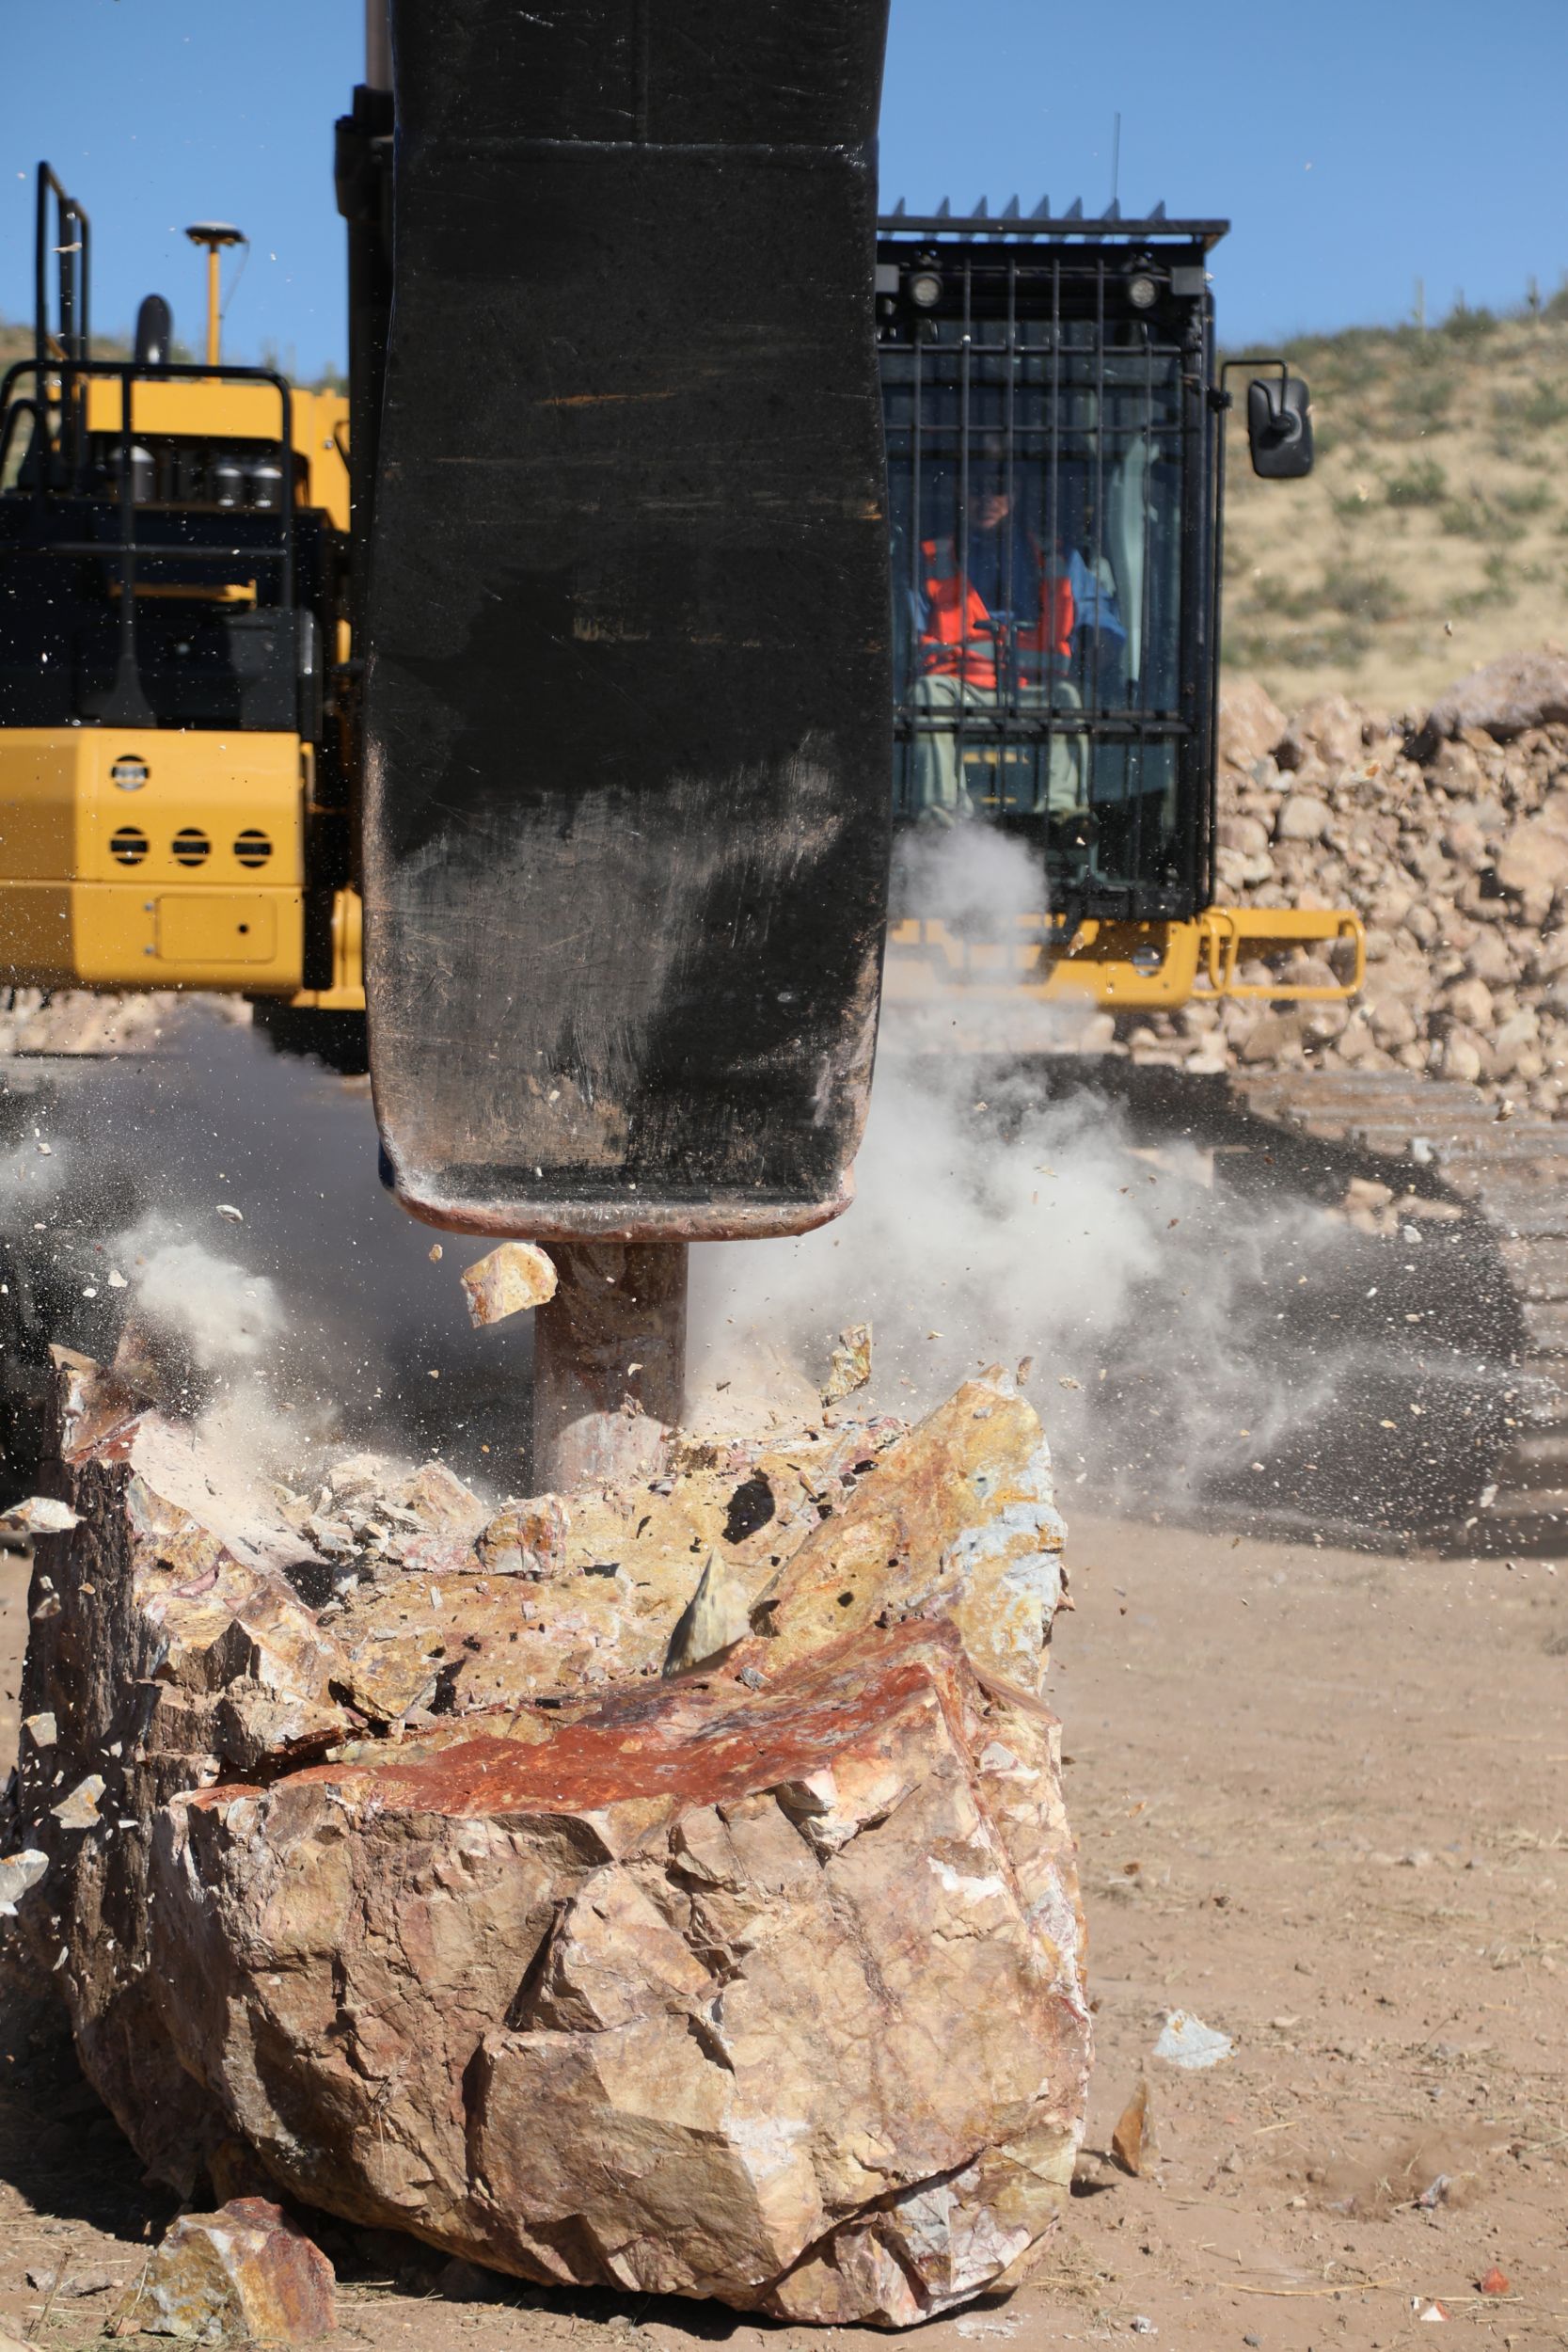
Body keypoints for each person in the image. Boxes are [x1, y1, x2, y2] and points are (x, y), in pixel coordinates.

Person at [910, 476, 1083, 823]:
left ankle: (1061, 812)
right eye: (977, 488)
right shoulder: (930, 558)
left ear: (1016, 492)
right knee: (927, 691)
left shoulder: (1056, 557)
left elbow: (1099, 624)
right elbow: (909, 627)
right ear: (959, 490)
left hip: (1031, 690)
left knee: (1067, 697)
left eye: (1000, 488)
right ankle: (943, 814)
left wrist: (1098, 640)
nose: (987, 499)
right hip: (958, 689)